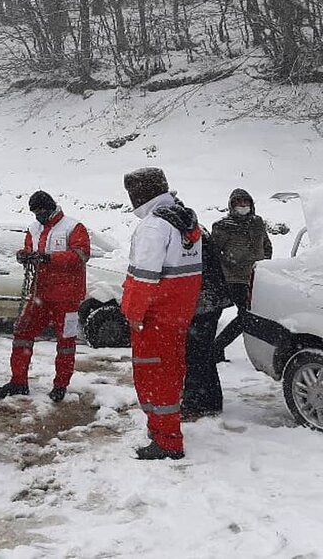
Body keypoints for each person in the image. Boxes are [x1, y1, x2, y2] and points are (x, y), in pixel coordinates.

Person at [120, 167, 202, 460]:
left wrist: (131, 313)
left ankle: (166, 440)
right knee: (170, 373)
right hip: (177, 316)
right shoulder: (185, 220)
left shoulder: (154, 226)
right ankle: (164, 429)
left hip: (153, 318)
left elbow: (143, 279)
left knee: (152, 378)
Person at [0, 190, 90, 403]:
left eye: (41, 211)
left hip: (68, 298)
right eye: (35, 212)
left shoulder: (73, 227)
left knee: (65, 342)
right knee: (22, 333)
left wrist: (49, 258)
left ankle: (60, 385)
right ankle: (19, 381)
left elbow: (81, 255)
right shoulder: (34, 229)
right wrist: (24, 255)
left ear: (50, 207)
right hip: (40, 295)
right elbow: (29, 246)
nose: (38, 216)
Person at [211, 189, 272, 363]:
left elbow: (266, 245)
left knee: (250, 315)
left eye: (246, 202)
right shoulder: (223, 226)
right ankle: (216, 347)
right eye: (239, 203)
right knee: (246, 316)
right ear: (232, 205)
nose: (243, 206)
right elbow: (215, 252)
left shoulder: (257, 223)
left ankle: (218, 347)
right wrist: (229, 266)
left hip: (256, 276)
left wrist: (264, 262)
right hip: (234, 279)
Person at [182, 225, 232, 419]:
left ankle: (195, 403)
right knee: (203, 353)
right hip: (210, 299)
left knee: (195, 354)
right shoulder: (194, 229)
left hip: (202, 301)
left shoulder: (186, 234)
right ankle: (211, 400)